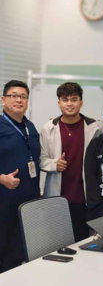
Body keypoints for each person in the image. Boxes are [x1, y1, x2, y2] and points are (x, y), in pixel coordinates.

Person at [40, 82, 101, 242]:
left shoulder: (94, 127)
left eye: (74, 99)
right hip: (57, 197)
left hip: (84, 198)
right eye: (65, 99)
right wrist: (54, 165)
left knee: (83, 244)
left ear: (81, 102)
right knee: (56, 244)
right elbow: (42, 159)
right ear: (58, 103)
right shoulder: (49, 127)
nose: (69, 104)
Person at [0, 80, 40, 273]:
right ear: (3, 99)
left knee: (20, 254)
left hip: (28, 202)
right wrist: (1, 178)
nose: (18, 100)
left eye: (23, 96)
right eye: (13, 95)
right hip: (4, 202)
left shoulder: (30, 126)